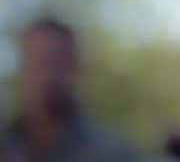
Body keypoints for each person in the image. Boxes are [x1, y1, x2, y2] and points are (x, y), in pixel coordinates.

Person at [0, 18, 139, 162]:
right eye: (36, 62)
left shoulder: (114, 154)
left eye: (55, 62)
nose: (46, 74)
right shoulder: (5, 145)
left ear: (75, 68)